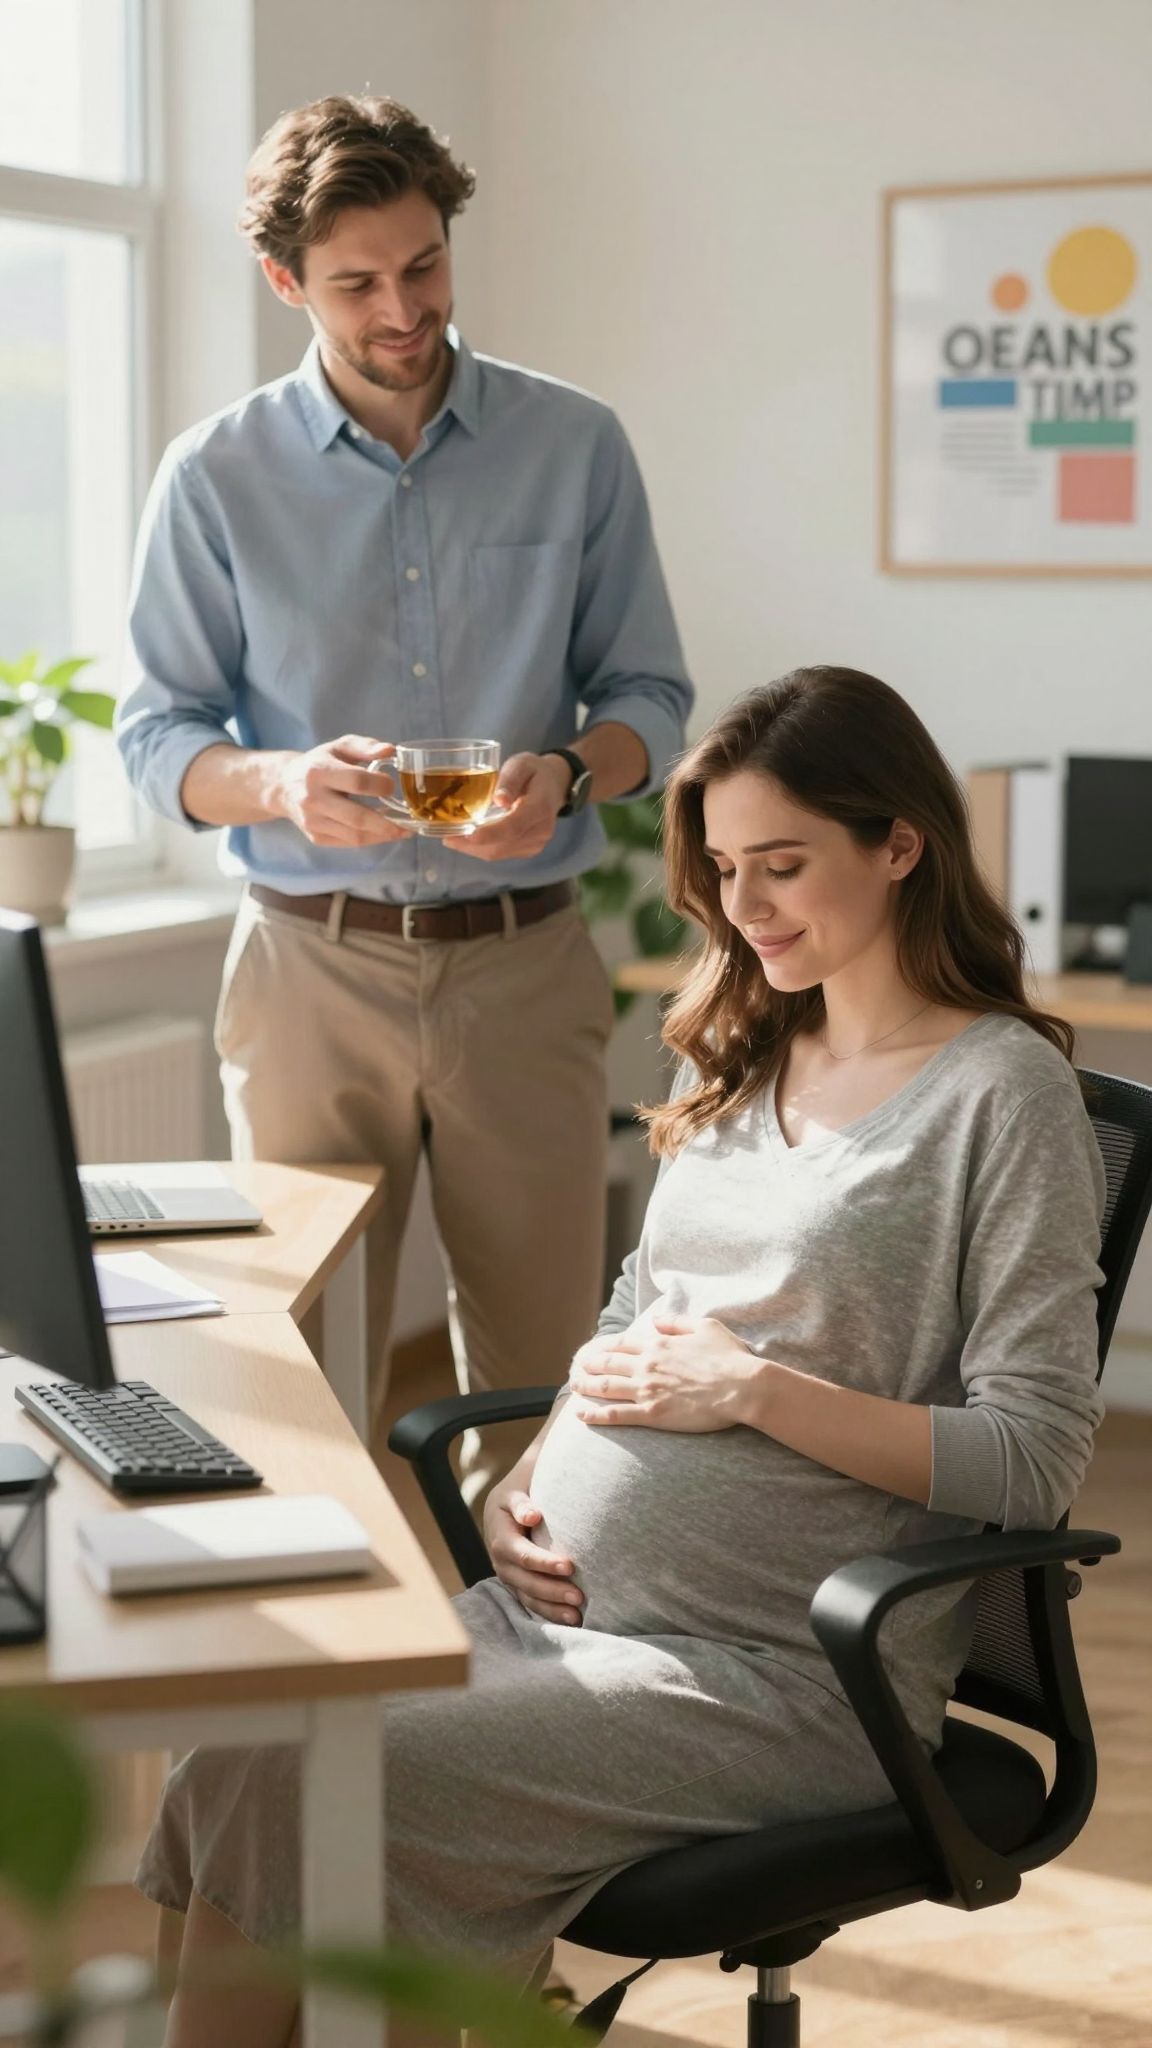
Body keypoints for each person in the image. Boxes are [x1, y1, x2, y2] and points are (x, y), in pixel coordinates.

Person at [139, 667, 1106, 2048]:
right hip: (564, 1623)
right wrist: (516, 1489)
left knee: (342, 1780)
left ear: (902, 844)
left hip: (775, 1677)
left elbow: (1032, 1456)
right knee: (245, 1744)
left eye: (784, 865)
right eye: (724, 868)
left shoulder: (1000, 1097)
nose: (746, 907)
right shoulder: (758, 1044)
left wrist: (754, 1391)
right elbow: (624, 1326)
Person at [115, 94, 692, 1496]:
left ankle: (538, 1697)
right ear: (285, 284)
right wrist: (278, 781)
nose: (402, 308)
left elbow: (652, 706)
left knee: (545, 1371)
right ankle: (323, 1700)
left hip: (525, 965)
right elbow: (154, 733)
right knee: (300, 1370)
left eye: (423, 266)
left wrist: (563, 769)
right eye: (357, 283)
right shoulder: (214, 476)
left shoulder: (577, 445)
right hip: (309, 975)